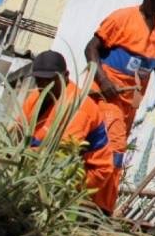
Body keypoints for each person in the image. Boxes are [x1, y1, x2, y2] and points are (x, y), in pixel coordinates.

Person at [84, 0, 155, 214]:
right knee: (114, 149)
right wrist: (103, 80)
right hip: (107, 96)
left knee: (101, 151)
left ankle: (98, 206)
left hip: (130, 103)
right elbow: (91, 49)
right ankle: (93, 207)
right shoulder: (121, 18)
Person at [18, 50, 115, 213]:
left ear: (65, 76)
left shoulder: (78, 107)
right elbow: (17, 130)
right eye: (38, 79)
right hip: (44, 164)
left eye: (49, 80)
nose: (43, 85)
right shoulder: (37, 96)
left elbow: (63, 157)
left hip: (84, 174)